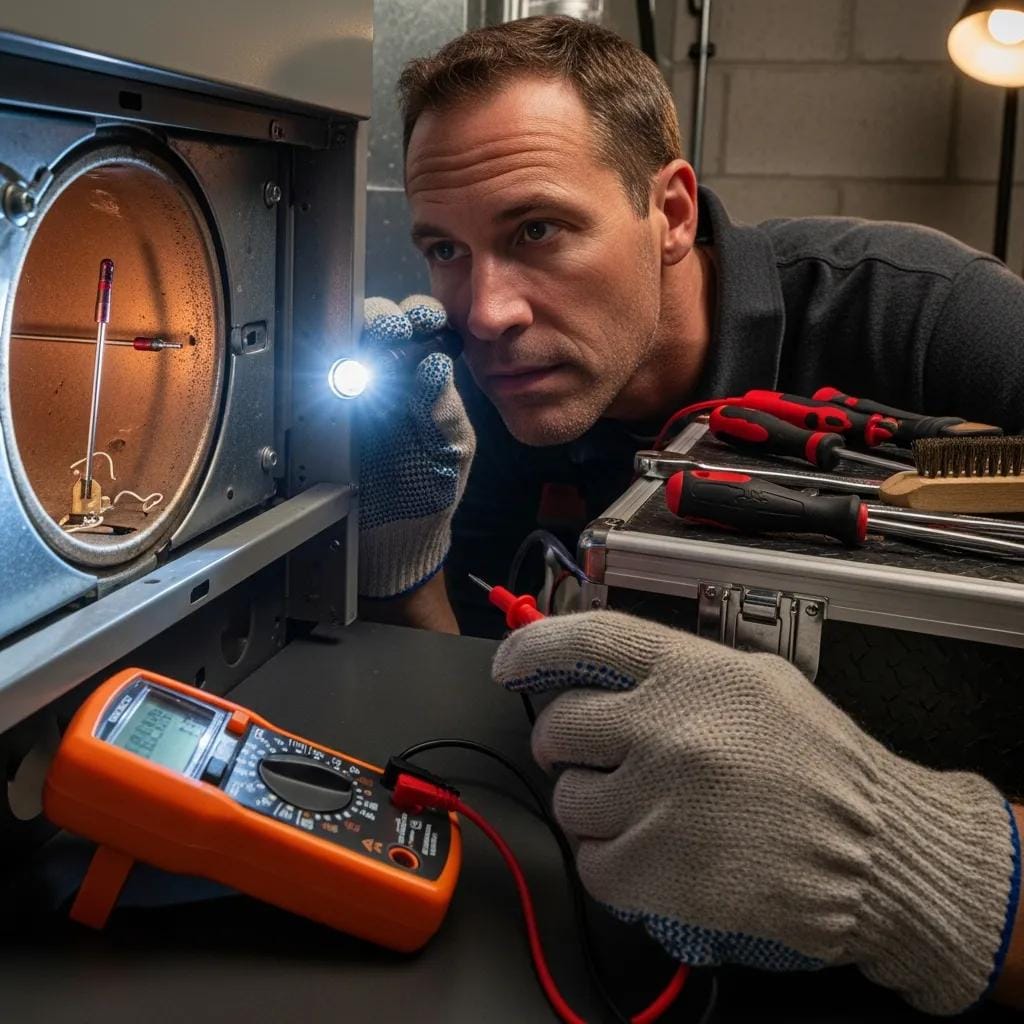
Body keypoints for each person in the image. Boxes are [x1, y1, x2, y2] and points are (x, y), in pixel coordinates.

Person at [356, 14, 1024, 1015]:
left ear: (669, 212)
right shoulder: (490, 399)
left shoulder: (929, 320)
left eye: (535, 230)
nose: (484, 310)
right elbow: (484, 713)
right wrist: (408, 568)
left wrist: (925, 869)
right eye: (444, 248)